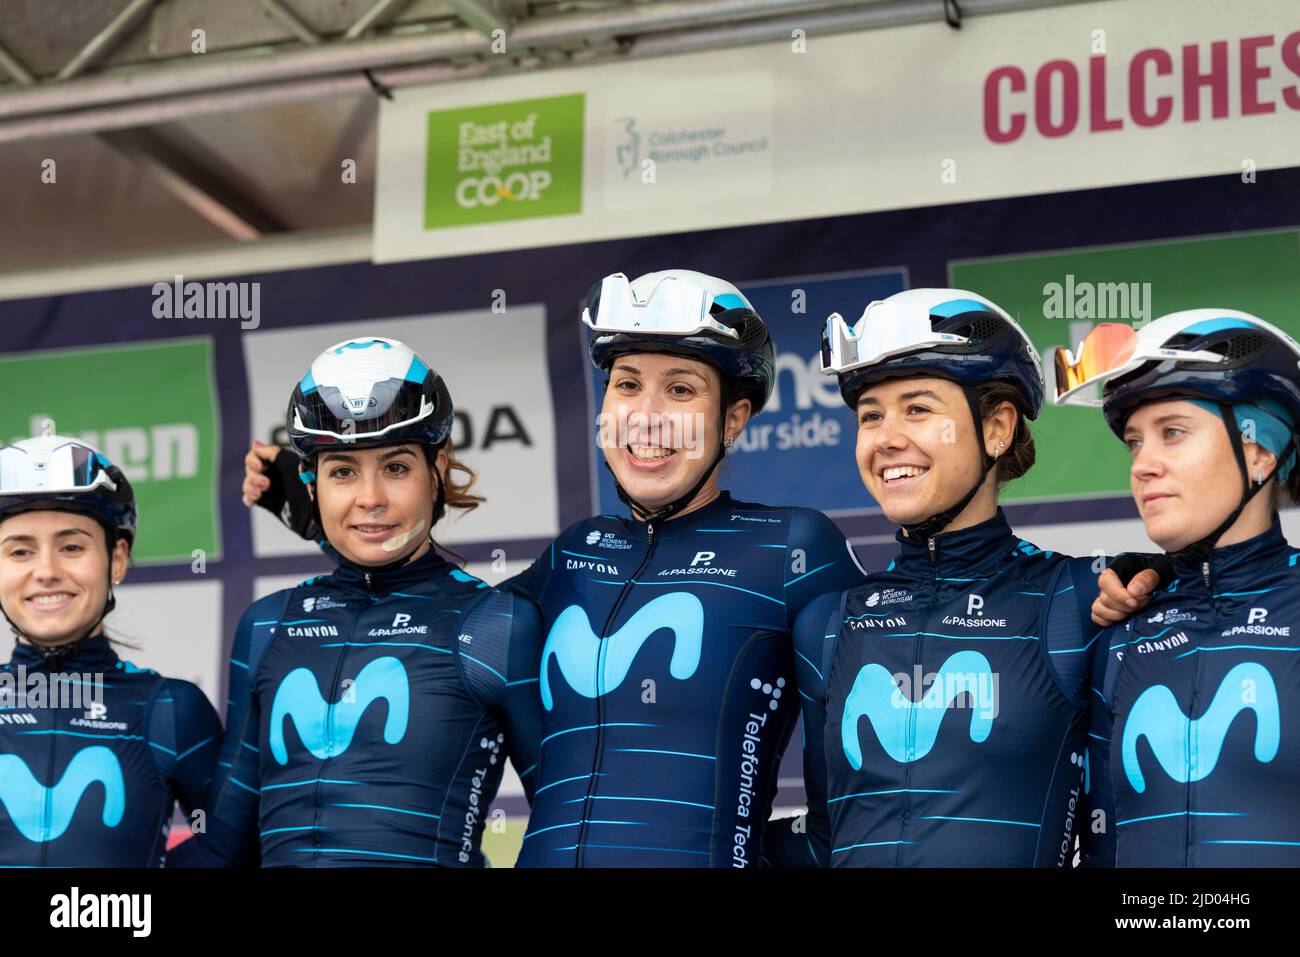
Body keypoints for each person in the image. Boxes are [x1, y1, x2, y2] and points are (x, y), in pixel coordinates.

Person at [245, 270, 868, 867]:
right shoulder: (572, 554)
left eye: (680, 390)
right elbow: (434, 605)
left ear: (732, 419)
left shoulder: (793, 547)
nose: (646, 414)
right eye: (627, 384)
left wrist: (743, 849)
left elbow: (868, 796)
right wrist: (327, 515)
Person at [775, 288, 1156, 867]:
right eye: (871, 415)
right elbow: (823, 839)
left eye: (917, 409)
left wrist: (1165, 570)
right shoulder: (826, 624)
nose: (886, 437)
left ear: (997, 427)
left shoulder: (1080, 600)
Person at [169, 336, 541, 867]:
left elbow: (566, 821)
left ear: (436, 470)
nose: (370, 498)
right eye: (342, 471)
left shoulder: (496, 624)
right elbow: (223, 847)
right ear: (311, 484)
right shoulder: (267, 625)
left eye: (396, 468)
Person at [1055, 310, 1300, 866]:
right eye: (1134, 443)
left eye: (1172, 433)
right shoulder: (1122, 629)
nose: (1143, 465)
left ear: (1259, 452)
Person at [0, 434, 220, 867]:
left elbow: (228, 846)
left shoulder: (172, 710)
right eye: (20, 551)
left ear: (116, 559)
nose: (46, 571)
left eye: (72, 547)